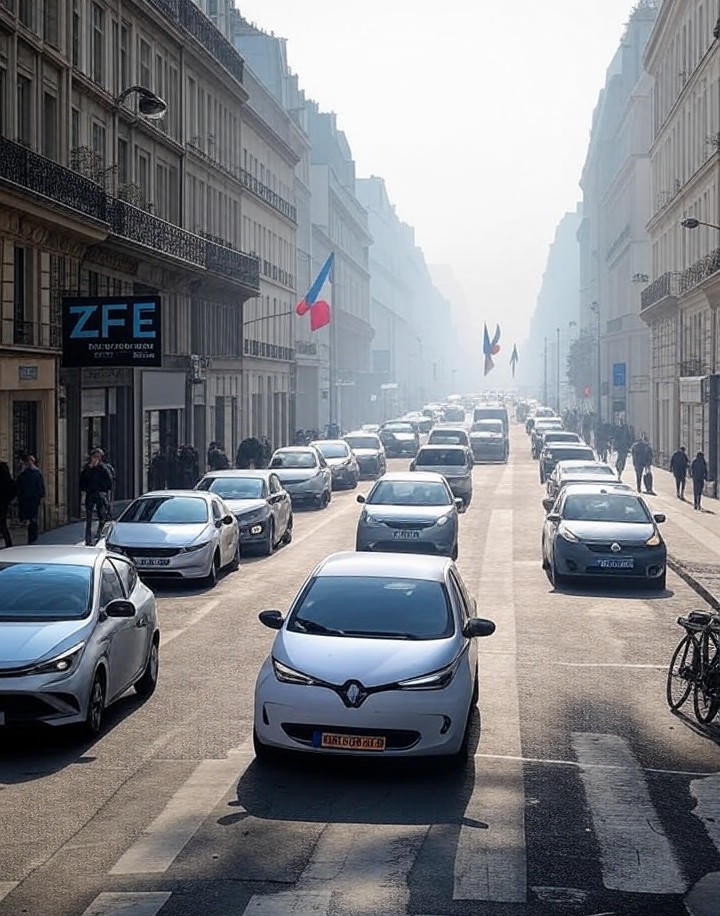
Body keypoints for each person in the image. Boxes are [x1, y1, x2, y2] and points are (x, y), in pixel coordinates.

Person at [80, 449, 114, 546]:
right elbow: (82, 481)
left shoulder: (103, 468)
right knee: (89, 518)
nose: (95, 459)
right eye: (94, 457)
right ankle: (88, 539)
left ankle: (98, 535)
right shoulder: (87, 468)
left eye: (97, 457)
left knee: (102, 517)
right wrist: (88, 470)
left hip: (100, 494)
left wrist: (104, 491)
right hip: (90, 494)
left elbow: (109, 481)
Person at [16, 454, 45, 544]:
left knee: (29, 519)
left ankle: (31, 537)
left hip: (27, 501)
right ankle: (33, 538)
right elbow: (41, 488)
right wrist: (40, 497)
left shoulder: (23, 475)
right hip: (33, 500)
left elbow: (18, 487)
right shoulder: (37, 474)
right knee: (33, 519)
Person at [0, 461, 17, 548]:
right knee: (3, 524)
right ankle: (8, 543)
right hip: (4, 503)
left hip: (3, 502)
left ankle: (8, 543)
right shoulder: (8, 479)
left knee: (2, 524)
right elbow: (13, 489)